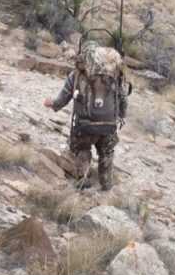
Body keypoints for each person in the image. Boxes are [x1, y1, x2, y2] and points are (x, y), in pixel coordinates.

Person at [44, 41, 128, 191]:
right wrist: (121, 115)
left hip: (84, 125)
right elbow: (123, 98)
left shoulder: (76, 74)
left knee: (82, 148)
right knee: (107, 152)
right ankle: (106, 185)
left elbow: (63, 98)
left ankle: (83, 180)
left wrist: (53, 104)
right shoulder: (113, 74)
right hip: (108, 125)